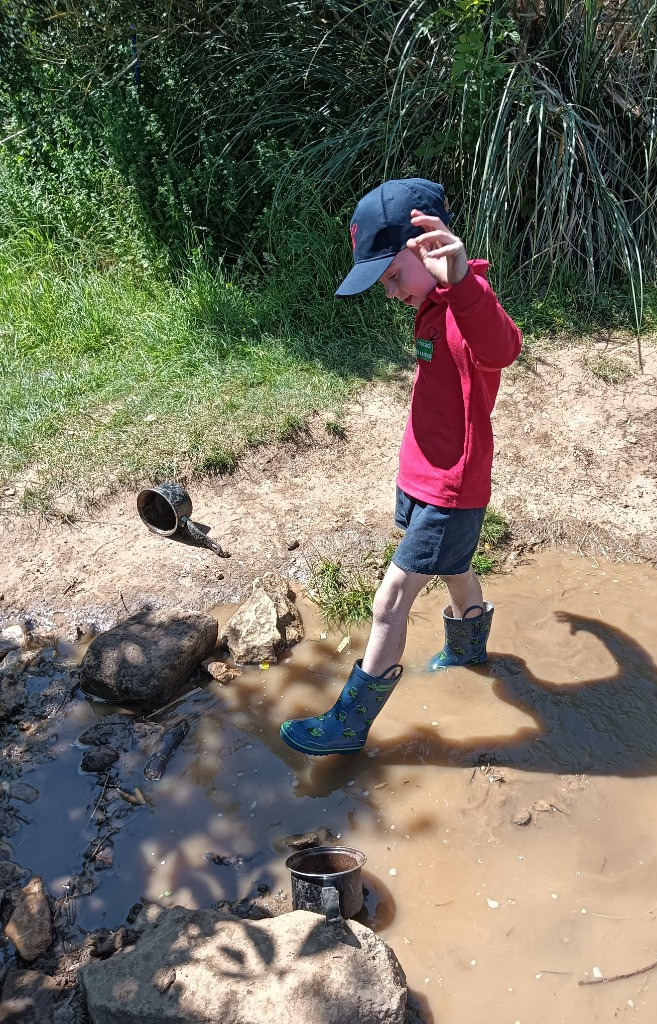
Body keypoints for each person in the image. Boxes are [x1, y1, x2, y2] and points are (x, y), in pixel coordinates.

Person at [280, 178, 522, 756]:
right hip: (422, 472)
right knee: (453, 563)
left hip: (453, 482)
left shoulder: (467, 303)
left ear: (428, 248)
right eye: (383, 281)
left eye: (392, 276)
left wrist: (461, 280)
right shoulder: (429, 306)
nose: (389, 292)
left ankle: (349, 724)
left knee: (389, 601)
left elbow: (503, 349)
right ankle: (468, 646)